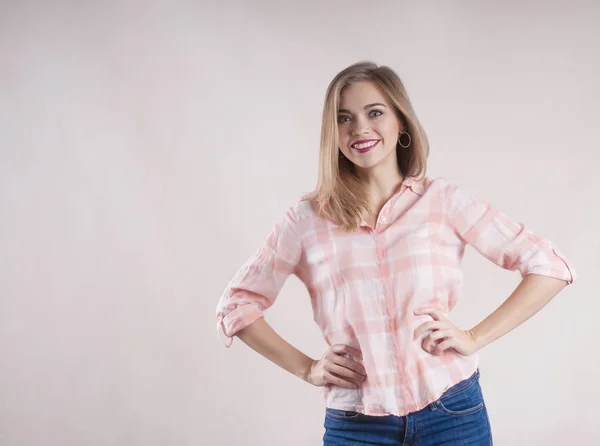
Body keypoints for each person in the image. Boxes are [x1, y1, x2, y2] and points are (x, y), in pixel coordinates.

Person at [215, 61, 577, 445]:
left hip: (452, 414)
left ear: (401, 122)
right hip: (356, 425)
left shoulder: (443, 202)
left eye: (375, 112)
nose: (360, 129)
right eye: (344, 118)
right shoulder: (305, 221)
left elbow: (549, 266)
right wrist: (308, 369)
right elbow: (236, 304)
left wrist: (473, 336)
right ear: (332, 133)